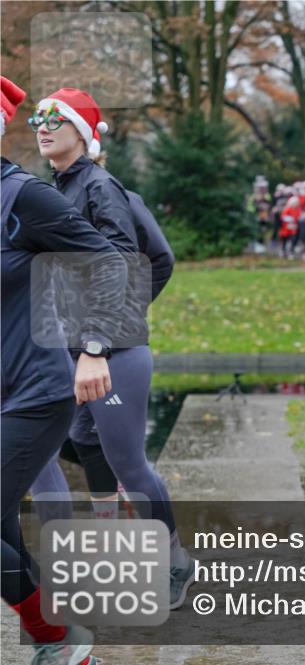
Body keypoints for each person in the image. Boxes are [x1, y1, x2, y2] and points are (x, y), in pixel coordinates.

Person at [29, 87, 195, 607]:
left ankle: (176, 563)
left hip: (110, 352)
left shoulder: (99, 186)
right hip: (79, 351)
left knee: (129, 465)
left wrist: (109, 332)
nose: (43, 124)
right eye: (38, 116)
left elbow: (132, 262)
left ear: (82, 131)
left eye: (56, 117)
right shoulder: (55, 187)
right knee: (86, 445)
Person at [2, 75, 126, 665]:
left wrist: (95, 348)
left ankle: (58, 641)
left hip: (35, 390)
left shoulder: (23, 197)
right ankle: (58, 642)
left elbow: (108, 261)